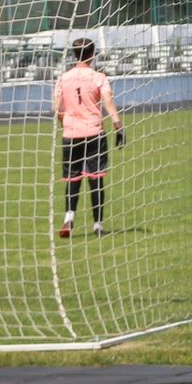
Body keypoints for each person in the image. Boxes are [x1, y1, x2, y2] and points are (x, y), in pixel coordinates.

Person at [54, 37, 123, 237]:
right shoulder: (98, 77)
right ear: (92, 55)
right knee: (96, 178)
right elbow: (108, 101)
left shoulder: (63, 78)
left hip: (71, 134)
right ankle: (98, 225)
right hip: (94, 133)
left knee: (73, 178)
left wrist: (65, 123)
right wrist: (118, 125)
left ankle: (69, 218)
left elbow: (57, 108)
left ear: (75, 55)